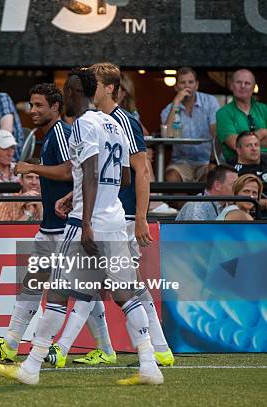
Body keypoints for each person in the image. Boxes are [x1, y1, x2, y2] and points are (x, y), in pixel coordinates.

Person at [0, 68, 164, 386]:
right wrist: (86, 192)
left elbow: (91, 169)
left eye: (69, 90)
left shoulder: (83, 124)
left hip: (87, 223)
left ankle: (31, 367)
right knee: (127, 295)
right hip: (115, 219)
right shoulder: (113, 123)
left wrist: (84, 220)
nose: (67, 95)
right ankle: (149, 365)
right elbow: (125, 176)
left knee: (57, 295)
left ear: (74, 93)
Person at [68, 62, 173, 367]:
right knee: (127, 284)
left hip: (120, 215)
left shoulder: (123, 120)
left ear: (110, 88)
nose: (90, 89)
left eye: (96, 84)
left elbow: (142, 170)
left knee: (97, 285)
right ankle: (159, 348)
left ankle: (55, 348)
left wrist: (140, 216)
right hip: (112, 212)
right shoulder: (100, 120)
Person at [0, 82, 73, 365]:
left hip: (66, 228)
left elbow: (70, 171)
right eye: (31, 105)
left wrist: (31, 167)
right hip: (51, 226)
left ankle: (48, 351)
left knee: (76, 296)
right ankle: (10, 344)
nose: (32, 110)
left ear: (56, 106)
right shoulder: (52, 133)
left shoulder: (61, 133)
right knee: (33, 286)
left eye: (39, 105)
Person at [160, 67, 220, 182]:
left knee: (212, 177)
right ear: (176, 87)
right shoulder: (168, 109)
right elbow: (166, 135)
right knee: (171, 178)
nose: (187, 86)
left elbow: (216, 133)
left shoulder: (210, 102)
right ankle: (185, 202)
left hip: (205, 161)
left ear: (196, 85)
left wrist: (213, 161)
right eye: (182, 83)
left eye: (190, 82)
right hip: (180, 162)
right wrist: (176, 103)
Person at [217, 69, 267, 162]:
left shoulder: (264, 109)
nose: (242, 86)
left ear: (253, 87)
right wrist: (261, 133)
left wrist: (246, 143)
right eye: (238, 82)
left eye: (247, 83)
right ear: (231, 86)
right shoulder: (223, 113)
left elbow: (241, 143)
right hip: (238, 164)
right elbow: (234, 144)